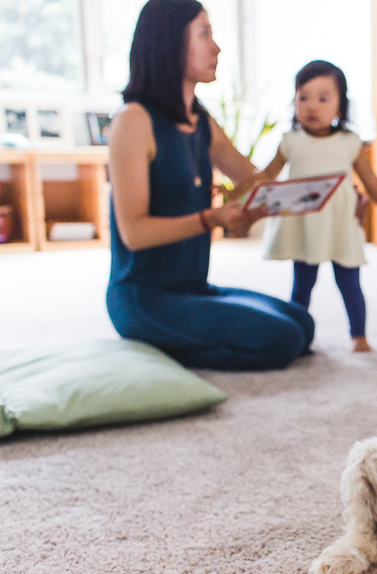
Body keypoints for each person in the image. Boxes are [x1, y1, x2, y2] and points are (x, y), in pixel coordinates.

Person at [106, 0, 314, 370]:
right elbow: (134, 232)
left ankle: (175, 342)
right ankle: (159, 352)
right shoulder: (132, 121)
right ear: (170, 43)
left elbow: (253, 182)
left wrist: (321, 184)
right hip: (144, 298)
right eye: (204, 34)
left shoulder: (201, 121)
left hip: (194, 290)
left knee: (302, 324)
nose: (216, 47)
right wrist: (212, 218)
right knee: (283, 339)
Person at [256, 60, 377, 353]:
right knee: (302, 285)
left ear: (341, 106)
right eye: (303, 97)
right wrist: (236, 194)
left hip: (339, 225)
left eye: (323, 98)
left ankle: (359, 335)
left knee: (349, 282)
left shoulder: (350, 141)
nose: (312, 106)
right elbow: (265, 177)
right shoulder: (290, 141)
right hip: (304, 224)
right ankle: (299, 335)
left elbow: (370, 179)